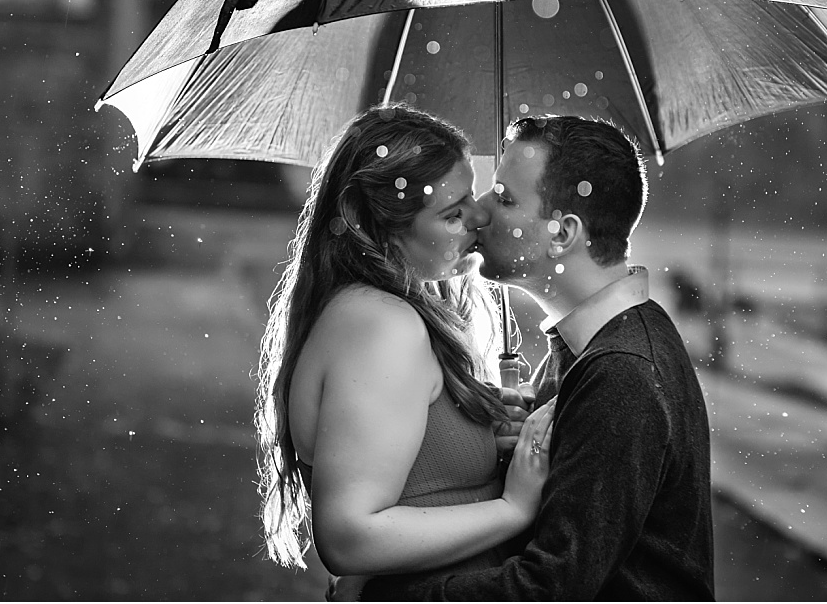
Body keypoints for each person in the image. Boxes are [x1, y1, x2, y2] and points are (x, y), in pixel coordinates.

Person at [361, 114, 716, 601]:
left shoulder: (622, 373)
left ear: (562, 234)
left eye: (505, 198)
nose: (478, 212)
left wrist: (384, 595)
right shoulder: (591, 349)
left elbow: (549, 588)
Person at [255, 104, 556, 593]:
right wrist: (513, 509)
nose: (481, 216)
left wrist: (473, 430)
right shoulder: (382, 326)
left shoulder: (372, 310)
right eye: (453, 212)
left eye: (472, 193)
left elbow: (413, 475)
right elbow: (349, 538)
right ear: (377, 227)